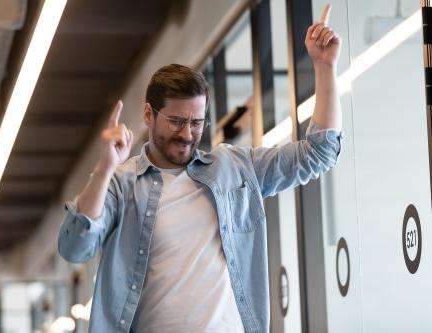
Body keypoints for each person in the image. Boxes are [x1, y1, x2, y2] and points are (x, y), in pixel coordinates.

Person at [58, 4, 342, 333]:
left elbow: (318, 154)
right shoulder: (123, 185)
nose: (188, 134)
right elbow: (75, 246)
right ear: (149, 115)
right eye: (177, 121)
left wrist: (324, 67)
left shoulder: (234, 169)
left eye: (196, 122)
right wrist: (106, 167)